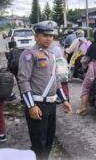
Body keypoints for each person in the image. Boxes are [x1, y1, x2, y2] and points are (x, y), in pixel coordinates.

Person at [18, 21, 72, 160]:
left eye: (51, 35)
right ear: (36, 36)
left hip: (51, 105)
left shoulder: (52, 55)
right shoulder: (29, 54)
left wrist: (64, 100)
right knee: (38, 143)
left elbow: (56, 80)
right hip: (37, 105)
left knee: (49, 140)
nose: (48, 38)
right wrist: (31, 105)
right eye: (44, 35)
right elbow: (23, 80)